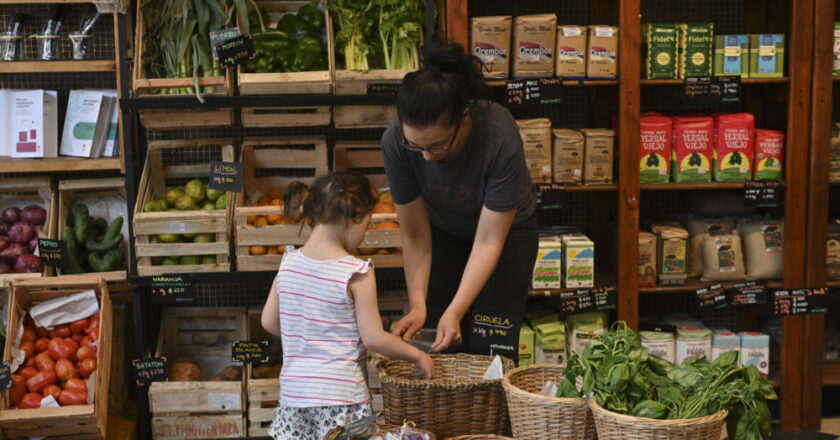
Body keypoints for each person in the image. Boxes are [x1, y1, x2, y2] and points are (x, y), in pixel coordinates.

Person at [383, 41, 538, 359]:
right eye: (416, 146)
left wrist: (457, 311)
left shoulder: (498, 137)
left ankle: (491, 407)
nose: (425, 157)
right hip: (440, 230)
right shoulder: (395, 142)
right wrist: (417, 303)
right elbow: (414, 233)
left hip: (505, 236)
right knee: (436, 338)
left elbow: (488, 241)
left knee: (490, 344)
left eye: (437, 146)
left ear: (464, 118)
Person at [261, 171, 434, 440]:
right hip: (342, 398)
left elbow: (269, 322)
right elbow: (374, 338)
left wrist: (308, 330)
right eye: (366, 225)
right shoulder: (356, 271)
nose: (364, 235)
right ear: (351, 219)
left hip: (295, 395)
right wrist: (418, 356)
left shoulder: (289, 263)